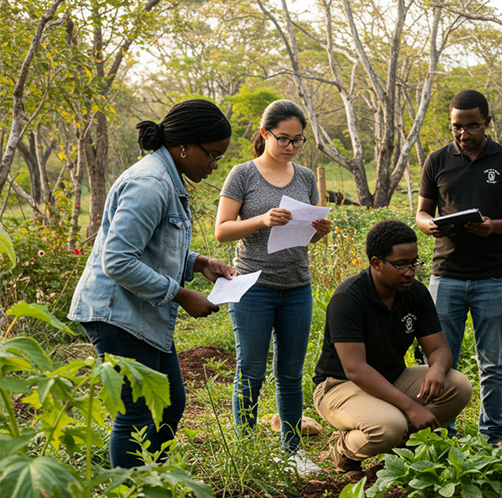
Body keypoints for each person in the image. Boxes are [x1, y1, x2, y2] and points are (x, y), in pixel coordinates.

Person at [69, 99, 235, 468]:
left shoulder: (167, 178)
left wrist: (199, 262)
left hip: (139, 311)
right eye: (211, 155)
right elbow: (118, 260)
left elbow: (150, 248)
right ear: (184, 146)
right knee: (139, 415)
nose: (214, 165)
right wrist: (180, 294)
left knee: (170, 404)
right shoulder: (150, 183)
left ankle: (155, 489)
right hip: (117, 314)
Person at [215, 100, 333, 477]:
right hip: (253, 286)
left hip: (297, 285)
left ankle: (292, 451)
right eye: (283, 138)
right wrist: (262, 219)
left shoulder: (304, 177)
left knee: (290, 372)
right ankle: (246, 452)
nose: (291, 147)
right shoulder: (242, 175)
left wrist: (317, 231)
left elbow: (303, 237)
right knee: (250, 370)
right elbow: (222, 230)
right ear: (265, 133)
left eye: (298, 141)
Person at [416, 89, 502, 444]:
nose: (463, 134)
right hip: (445, 274)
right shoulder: (437, 160)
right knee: (439, 362)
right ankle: (441, 432)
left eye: (472, 126)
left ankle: (492, 434)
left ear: (487, 123)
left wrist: (493, 226)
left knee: (492, 364)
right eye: (456, 127)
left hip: (492, 276)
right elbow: (422, 211)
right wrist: (428, 225)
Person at [313, 219, 472, 474]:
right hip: (339, 386)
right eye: (401, 265)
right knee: (389, 425)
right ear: (376, 263)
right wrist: (412, 408)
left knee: (459, 386)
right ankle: (344, 450)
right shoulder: (349, 298)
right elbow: (355, 369)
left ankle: (401, 450)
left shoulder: (415, 293)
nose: (410, 272)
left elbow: (439, 349)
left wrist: (437, 369)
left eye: (414, 263)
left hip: (392, 378)